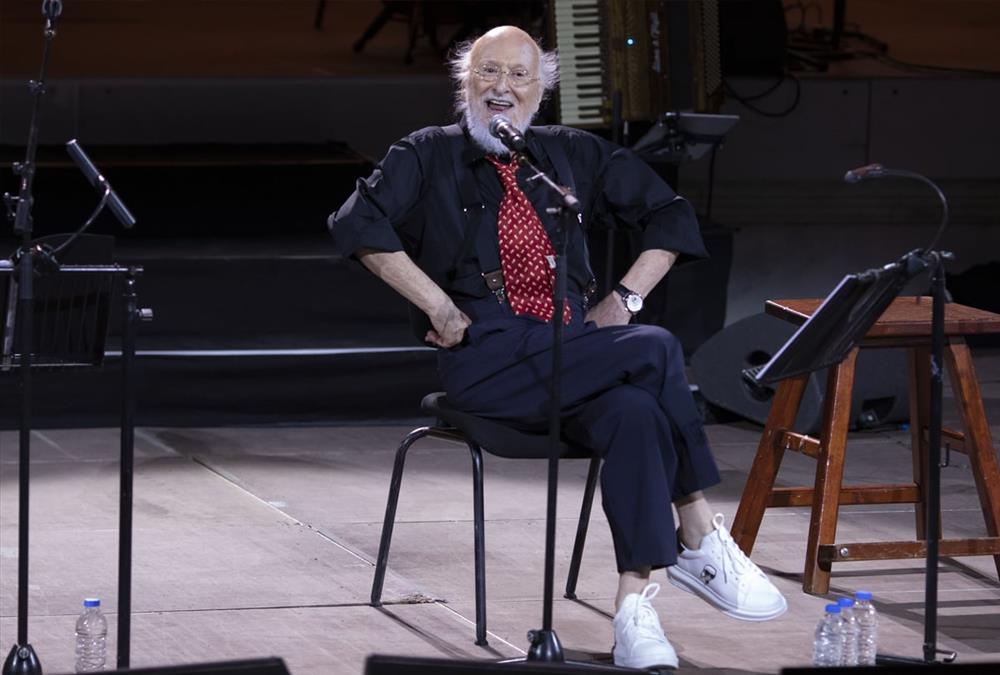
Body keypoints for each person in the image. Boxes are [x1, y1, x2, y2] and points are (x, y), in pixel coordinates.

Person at [330, 25, 786, 670]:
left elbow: (670, 215)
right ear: (466, 83)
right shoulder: (427, 152)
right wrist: (437, 304)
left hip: (573, 350)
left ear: (540, 91)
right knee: (655, 348)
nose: (502, 87)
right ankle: (698, 531)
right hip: (488, 355)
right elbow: (356, 224)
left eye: (519, 75)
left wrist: (623, 298)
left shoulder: (568, 156)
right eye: (489, 72)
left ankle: (634, 612)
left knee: (635, 411)